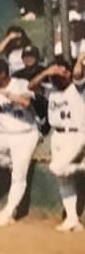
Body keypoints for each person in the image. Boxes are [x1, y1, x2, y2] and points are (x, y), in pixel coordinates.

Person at [0, 57, 39, 227]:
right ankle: (10, 163)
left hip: (25, 134)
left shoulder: (20, 83)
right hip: (5, 134)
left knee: (18, 177)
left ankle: (8, 212)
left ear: (3, 73)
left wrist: (5, 94)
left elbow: (26, 102)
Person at [30, 55, 85, 232]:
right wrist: (48, 71)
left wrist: (79, 61)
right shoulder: (51, 90)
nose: (56, 77)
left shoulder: (78, 88)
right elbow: (30, 86)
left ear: (68, 73)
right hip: (58, 137)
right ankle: (72, 219)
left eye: (60, 73)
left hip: (76, 135)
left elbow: (77, 73)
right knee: (64, 180)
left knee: (58, 168)